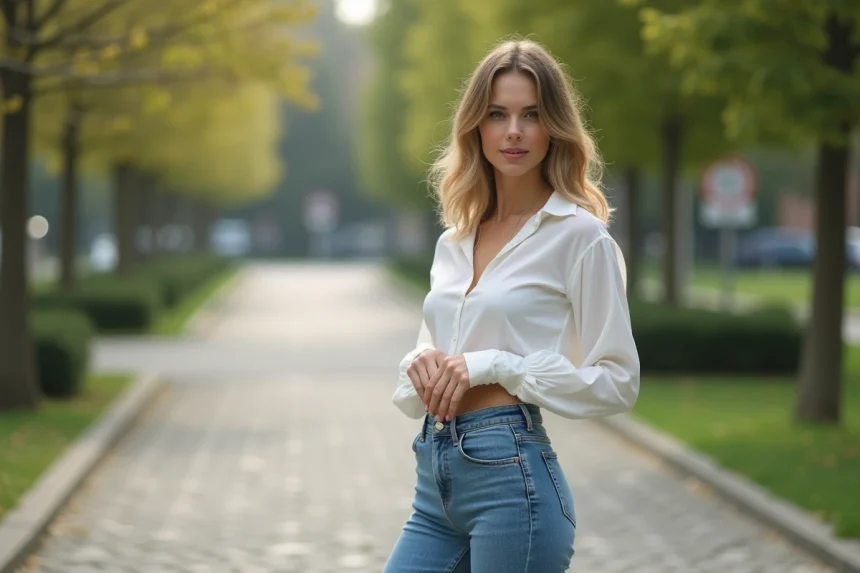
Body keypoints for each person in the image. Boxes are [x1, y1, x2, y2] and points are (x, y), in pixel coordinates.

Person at [385, 38, 640, 573]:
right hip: (435, 479)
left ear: (555, 127)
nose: (514, 131)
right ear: (477, 126)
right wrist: (419, 364)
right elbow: (430, 355)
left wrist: (498, 365)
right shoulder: (455, 239)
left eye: (531, 115)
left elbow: (619, 381)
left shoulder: (579, 237)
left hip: (512, 482)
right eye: (498, 114)